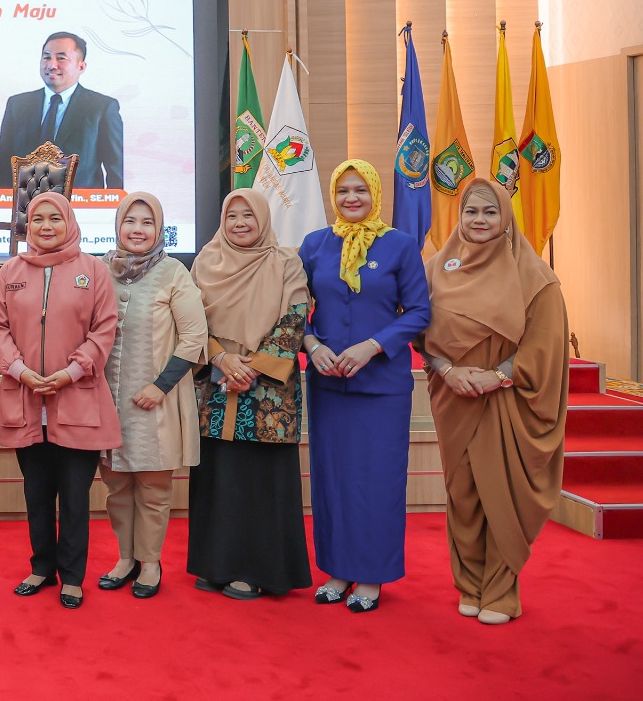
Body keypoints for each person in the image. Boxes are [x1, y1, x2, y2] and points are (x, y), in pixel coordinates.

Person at [418, 178, 568, 626]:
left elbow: (545, 342)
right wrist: (448, 370)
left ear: (506, 217)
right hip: (454, 397)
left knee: (500, 494)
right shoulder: (436, 269)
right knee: (463, 495)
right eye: (471, 211)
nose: (479, 220)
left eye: (489, 212)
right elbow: (418, 331)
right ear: (459, 215)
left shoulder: (534, 276)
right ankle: (469, 585)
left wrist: (497, 376)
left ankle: (501, 592)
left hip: (507, 400)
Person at [297, 159, 431, 613]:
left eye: (360, 190)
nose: (351, 198)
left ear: (375, 194)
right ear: (333, 197)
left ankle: (371, 575)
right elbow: (293, 307)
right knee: (333, 479)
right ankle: (338, 570)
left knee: (377, 481)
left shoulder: (400, 245)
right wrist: (312, 345)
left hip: (381, 387)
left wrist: (372, 346)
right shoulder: (315, 244)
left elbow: (418, 311)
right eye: (343, 191)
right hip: (328, 383)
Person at [0, 193, 120, 610]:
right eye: (38, 219)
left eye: (55, 218)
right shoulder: (11, 270)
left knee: (75, 497)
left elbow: (104, 329)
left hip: (77, 397)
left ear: (69, 223)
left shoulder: (93, 270)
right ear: (28, 226)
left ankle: (72, 576)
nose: (46, 226)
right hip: (26, 398)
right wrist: (19, 370)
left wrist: (72, 372)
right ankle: (42, 566)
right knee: (36, 493)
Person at [187, 189, 312, 600]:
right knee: (218, 478)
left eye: (248, 215)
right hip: (215, 382)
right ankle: (215, 564)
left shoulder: (286, 262)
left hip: (268, 394)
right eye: (232, 215)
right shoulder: (206, 261)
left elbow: (295, 319)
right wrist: (222, 358)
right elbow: (190, 321)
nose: (240, 223)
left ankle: (256, 570)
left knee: (259, 481)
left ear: (263, 219)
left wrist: (252, 367)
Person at [96, 192, 205, 600]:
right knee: (117, 486)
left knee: (154, 488)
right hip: (107, 400)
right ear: (118, 226)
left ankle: (151, 562)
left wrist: (160, 386)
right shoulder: (100, 270)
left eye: (147, 222)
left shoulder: (174, 272)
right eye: (130, 221)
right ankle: (125, 558)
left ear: (159, 229)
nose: (137, 230)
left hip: (156, 400)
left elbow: (194, 337)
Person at [0, 31, 124, 189]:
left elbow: (115, 170)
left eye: (61, 58)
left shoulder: (102, 107)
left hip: (81, 202)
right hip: (25, 201)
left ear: (81, 66)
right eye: (46, 57)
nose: (51, 65)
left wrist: (114, 203)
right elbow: (3, 163)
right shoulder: (17, 105)